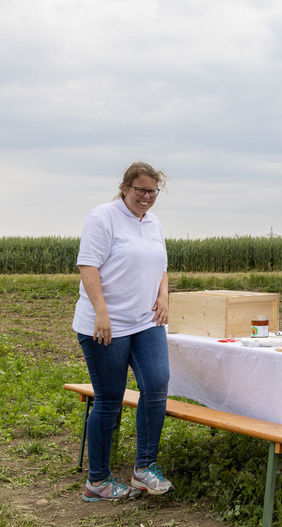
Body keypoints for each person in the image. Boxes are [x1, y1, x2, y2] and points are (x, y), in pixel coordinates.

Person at [72, 162, 173, 501]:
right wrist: (101, 312)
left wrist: (163, 297)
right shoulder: (103, 217)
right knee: (109, 399)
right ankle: (97, 481)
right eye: (141, 190)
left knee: (157, 383)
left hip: (145, 322)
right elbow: (88, 266)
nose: (147, 197)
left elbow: (161, 266)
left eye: (152, 192)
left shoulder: (154, 222)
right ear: (125, 187)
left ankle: (144, 468)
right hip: (106, 324)